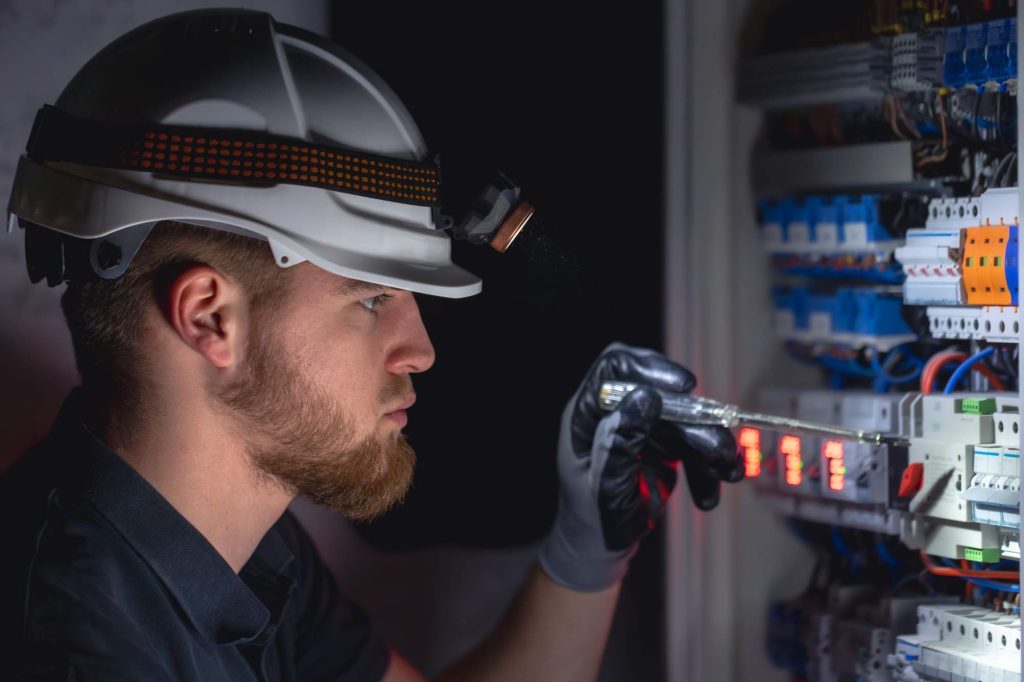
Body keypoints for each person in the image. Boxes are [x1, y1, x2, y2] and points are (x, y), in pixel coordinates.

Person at [0, 9, 743, 681]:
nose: (420, 351)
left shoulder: (236, 551)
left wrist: (587, 552)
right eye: (372, 299)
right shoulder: (78, 652)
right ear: (210, 318)